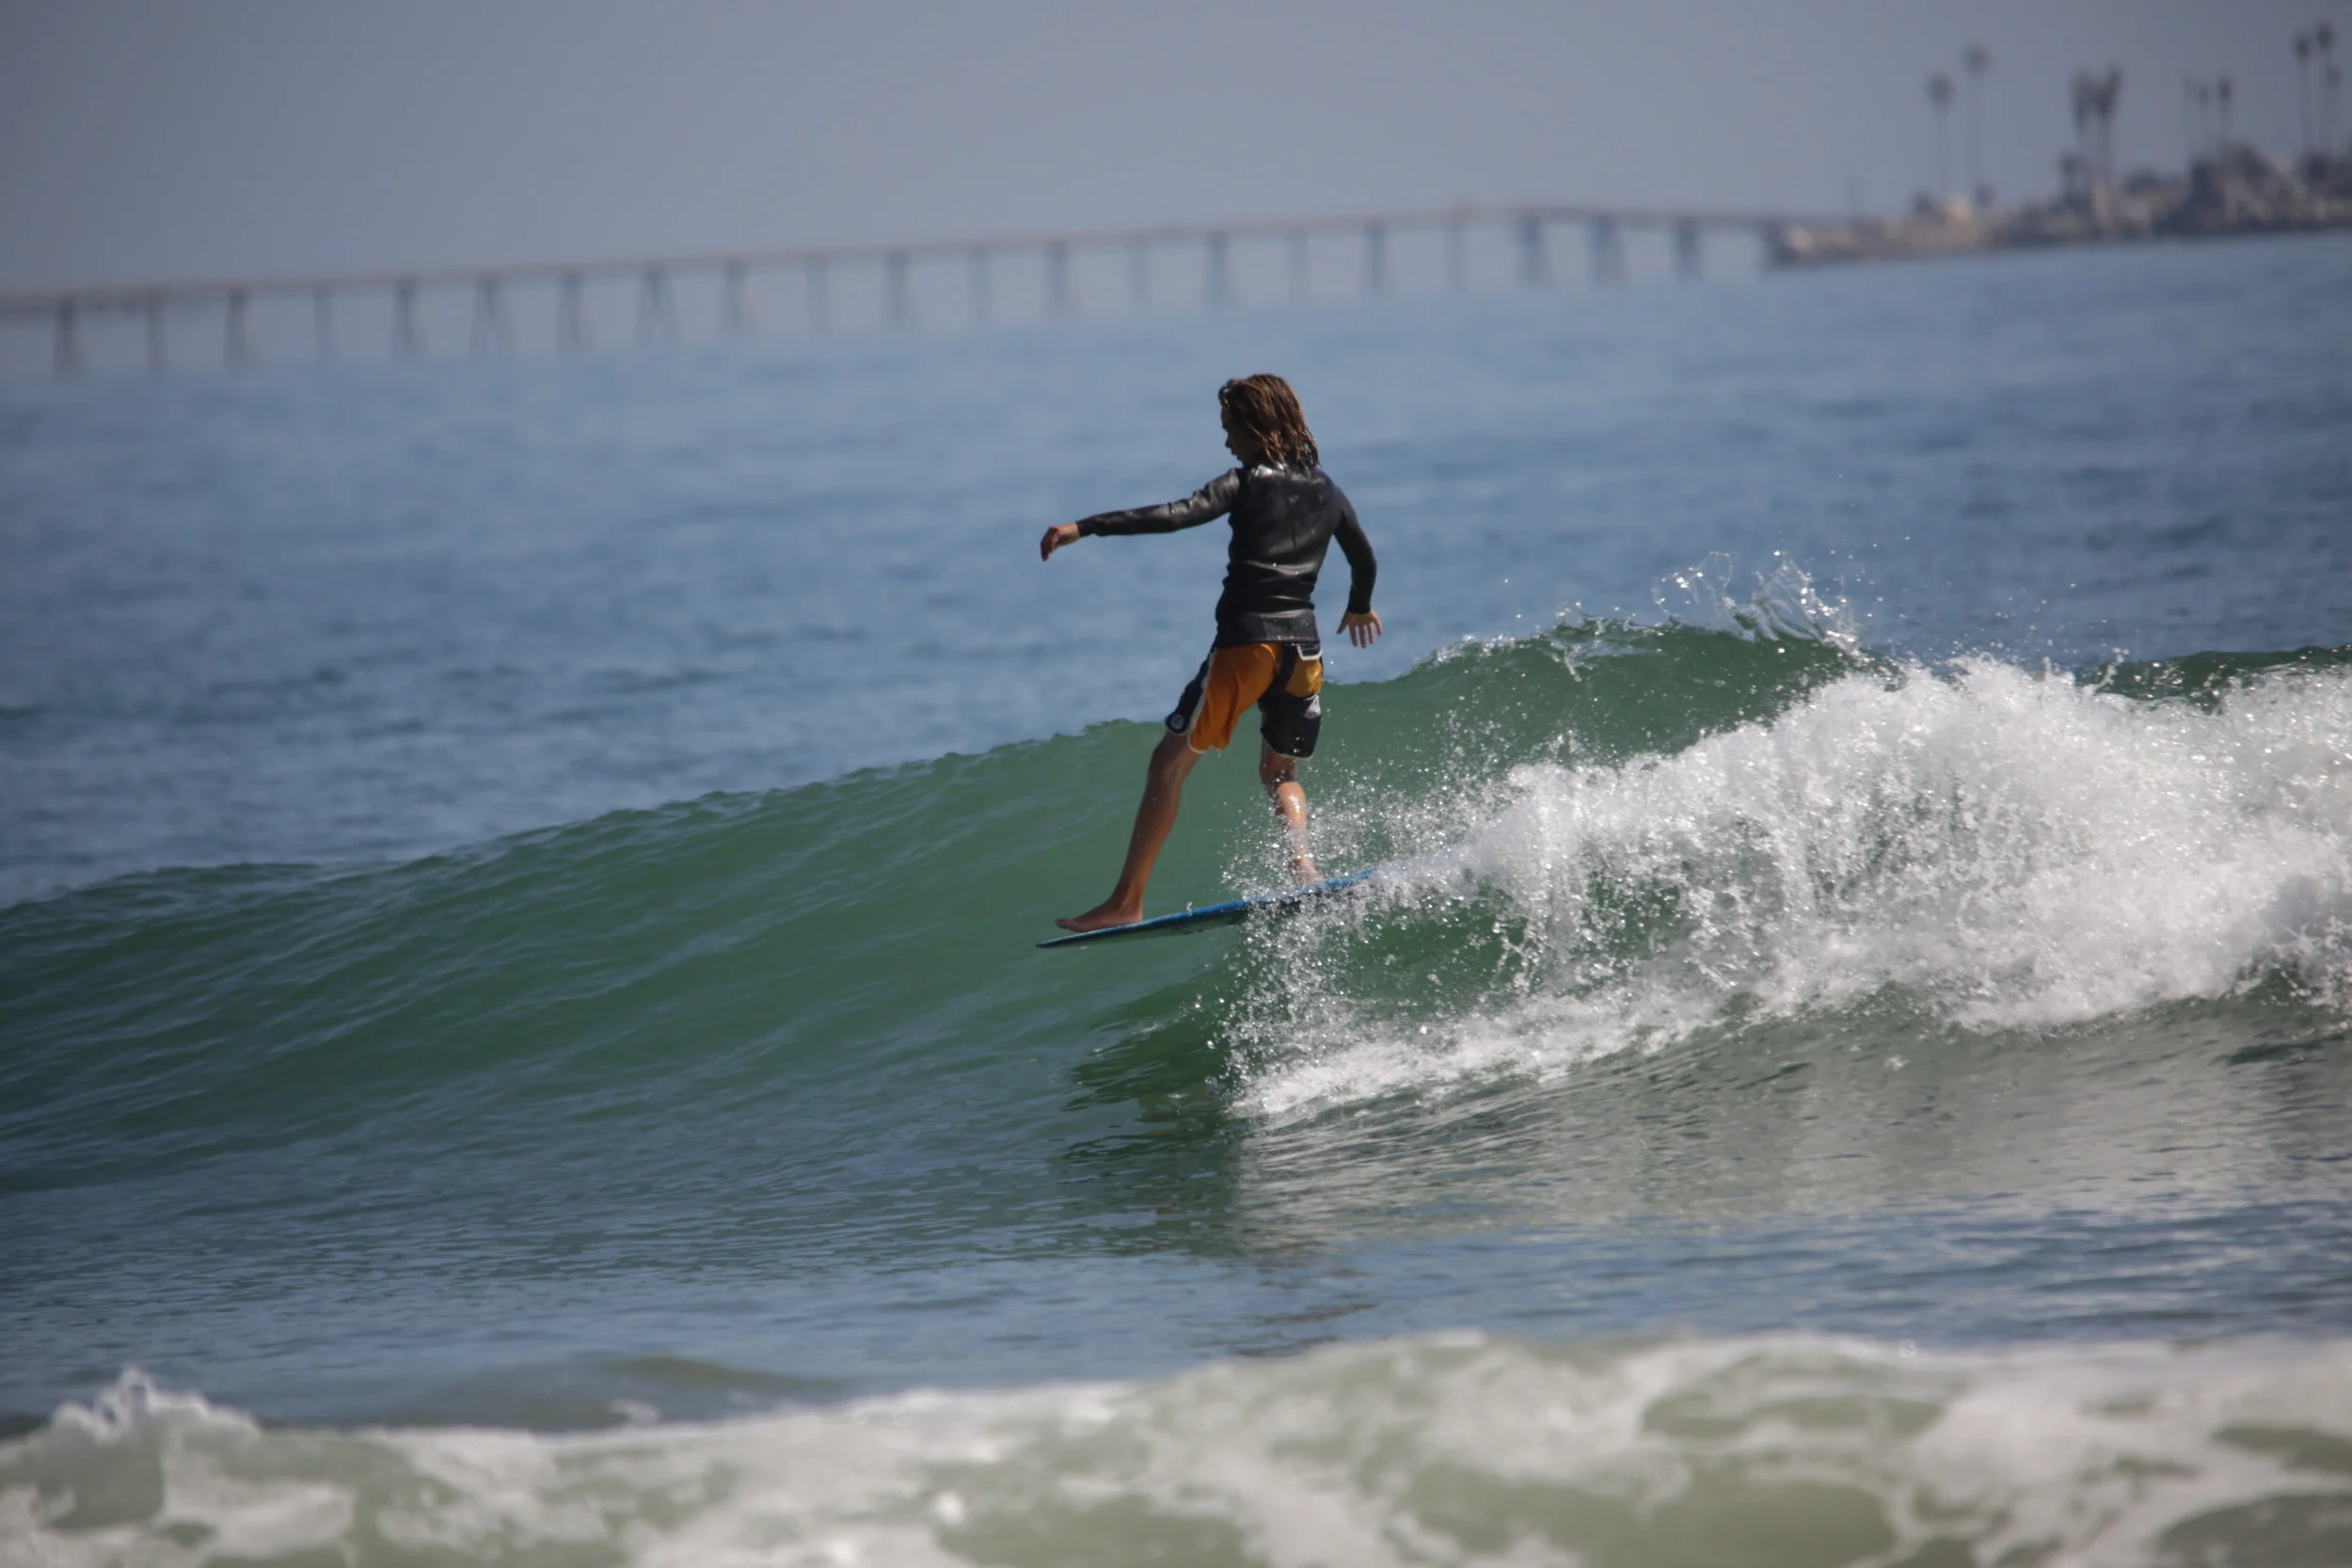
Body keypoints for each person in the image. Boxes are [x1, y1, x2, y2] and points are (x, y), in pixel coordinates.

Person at [1039, 373, 1380, 934]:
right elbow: (1363, 558)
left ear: (1256, 429)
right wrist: (1360, 606)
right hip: (1305, 649)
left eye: (1230, 430)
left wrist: (1088, 527)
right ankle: (1305, 869)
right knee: (1280, 769)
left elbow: (1177, 514)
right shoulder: (1328, 490)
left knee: (1167, 765)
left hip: (1249, 645)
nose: (1227, 442)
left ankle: (1126, 901)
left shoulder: (1244, 483)